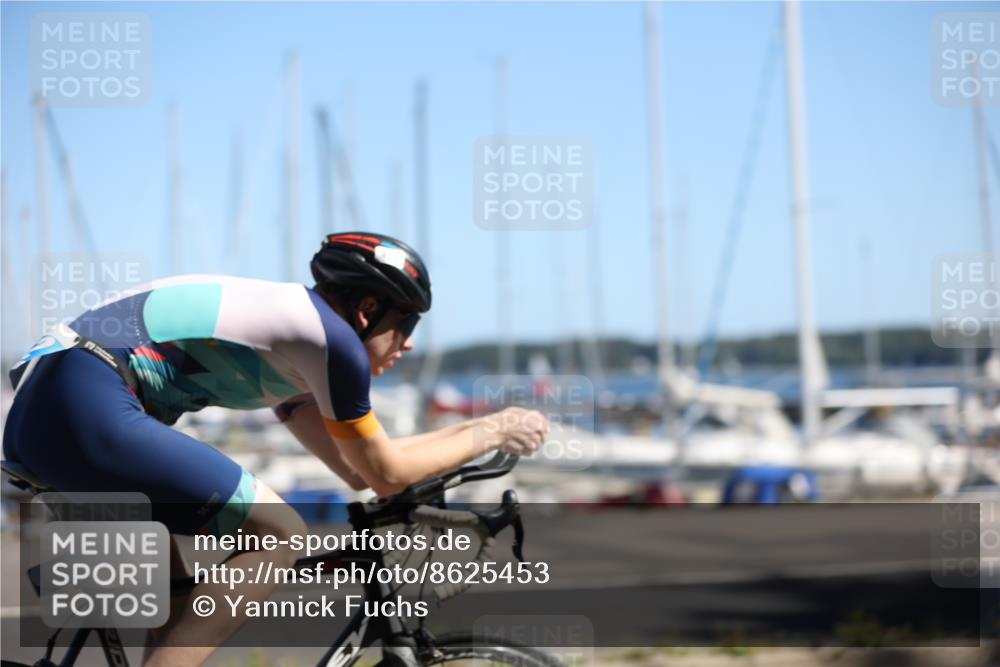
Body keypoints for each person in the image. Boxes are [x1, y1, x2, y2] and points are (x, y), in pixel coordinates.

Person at [2, 231, 549, 667]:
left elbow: (361, 471)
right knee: (282, 533)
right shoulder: (332, 341)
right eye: (405, 323)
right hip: (83, 402)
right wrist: (492, 430)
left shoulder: (296, 352)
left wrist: (474, 434)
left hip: (52, 408)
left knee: (178, 603)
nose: (408, 344)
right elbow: (386, 473)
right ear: (366, 309)